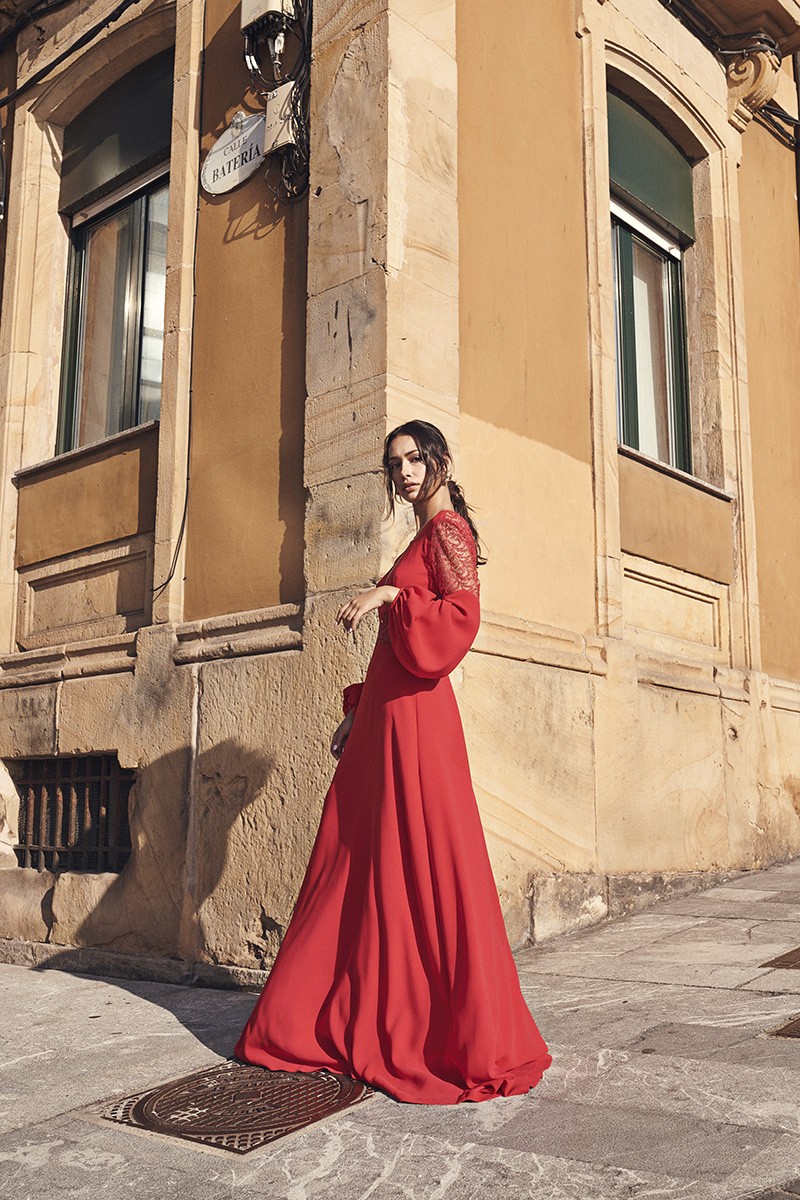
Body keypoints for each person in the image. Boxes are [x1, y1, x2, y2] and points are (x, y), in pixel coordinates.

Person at [234, 419, 552, 1104]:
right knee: (359, 859)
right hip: (387, 719)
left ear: (439, 460)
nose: (405, 472)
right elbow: (401, 643)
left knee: (425, 860)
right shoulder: (425, 533)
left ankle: (455, 1034)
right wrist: (357, 710)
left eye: (415, 458)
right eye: (395, 464)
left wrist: (387, 594)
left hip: (417, 724)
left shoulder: (447, 532)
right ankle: (348, 1015)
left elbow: (460, 617)